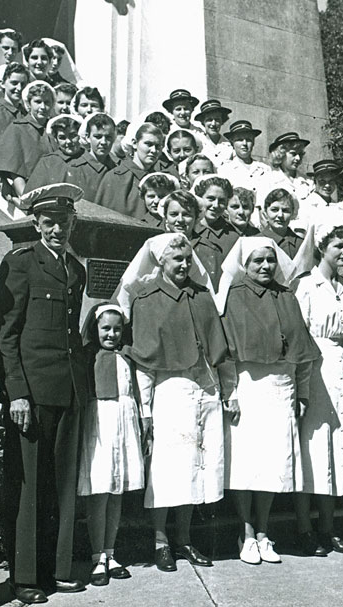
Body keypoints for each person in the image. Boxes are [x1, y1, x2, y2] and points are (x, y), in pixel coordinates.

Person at [0, 184, 88, 604]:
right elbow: (6, 335)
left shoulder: (76, 269)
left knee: (62, 485)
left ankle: (58, 568)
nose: (57, 230)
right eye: (49, 223)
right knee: (29, 485)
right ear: (35, 223)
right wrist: (15, 393)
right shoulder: (20, 263)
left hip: (67, 389)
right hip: (30, 393)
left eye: (64, 223)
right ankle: (26, 576)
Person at [115, 233, 231, 572]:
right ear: (160, 261)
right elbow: (146, 362)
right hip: (170, 390)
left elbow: (218, 349)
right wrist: (146, 411)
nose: (183, 264)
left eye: (186, 258)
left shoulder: (201, 295)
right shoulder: (146, 297)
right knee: (167, 471)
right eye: (175, 259)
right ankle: (161, 541)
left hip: (205, 389)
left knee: (196, 468)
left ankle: (184, 539)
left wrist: (226, 389)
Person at [218, 237, 321, 565]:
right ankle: (245, 532)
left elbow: (302, 352)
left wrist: (301, 393)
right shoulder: (234, 296)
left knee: (274, 464)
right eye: (257, 261)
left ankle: (263, 531)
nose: (264, 266)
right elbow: (225, 353)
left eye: (270, 260)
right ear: (244, 264)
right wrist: (230, 393)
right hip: (248, 385)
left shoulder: (287, 296)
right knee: (248, 464)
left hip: (281, 388)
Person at [293, 222, 343, 557]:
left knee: (337, 450)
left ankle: (329, 528)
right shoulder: (306, 287)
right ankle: (305, 529)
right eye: (337, 246)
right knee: (313, 451)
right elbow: (299, 336)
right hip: (314, 370)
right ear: (321, 248)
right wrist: (301, 387)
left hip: (341, 369)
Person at [76, 304, 144, 587]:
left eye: (117, 329)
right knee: (100, 488)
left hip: (124, 421)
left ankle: (110, 552)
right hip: (100, 422)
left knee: (116, 490)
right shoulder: (88, 357)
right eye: (106, 328)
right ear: (96, 329)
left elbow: (137, 391)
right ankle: (96, 557)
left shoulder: (127, 356)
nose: (112, 334)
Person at [0, 80, 55, 197]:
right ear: (28, 104)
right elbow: (16, 170)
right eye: (37, 102)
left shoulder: (54, 130)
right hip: (31, 194)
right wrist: (25, 197)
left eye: (47, 102)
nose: (43, 107)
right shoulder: (18, 128)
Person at [94, 123, 166, 221]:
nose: (154, 150)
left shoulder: (160, 180)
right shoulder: (115, 178)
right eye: (148, 144)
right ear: (134, 143)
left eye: (158, 146)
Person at [191, 175, 240, 290]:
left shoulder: (234, 236)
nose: (216, 205)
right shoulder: (188, 229)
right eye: (211, 199)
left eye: (222, 201)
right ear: (199, 198)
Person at [23, 115, 84, 194]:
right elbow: (31, 194)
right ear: (56, 139)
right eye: (62, 137)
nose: (68, 141)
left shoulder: (89, 158)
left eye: (73, 135)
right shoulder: (48, 162)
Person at [217, 119, 271, 200]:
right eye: (240, 140)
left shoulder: (264, 169)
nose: (244, 144)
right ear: (232, 143)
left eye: (248, 140)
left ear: (253, 142)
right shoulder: (225, 169)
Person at [263, 132, 312, 202]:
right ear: (280, 155)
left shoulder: (308, 182)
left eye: (300, 154)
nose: (298, 158)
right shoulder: (268, 179)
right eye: (293, 154)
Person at [259, 188, 305, 260]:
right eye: (274, 210)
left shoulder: (302, 245)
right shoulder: (255, 242)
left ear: (293, 214)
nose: (280, 215)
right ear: (265, 214)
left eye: (285, 210)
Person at [297, 159, 340, 226]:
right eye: (322, 181)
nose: (327, 185)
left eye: (331, 181)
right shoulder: (307, 206)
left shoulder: (337, 206)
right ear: (315, 181)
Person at [194, 99, 235, 166]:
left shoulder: (229, 145)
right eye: (209, 120)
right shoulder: (197, 142)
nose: (213, 124)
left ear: (222, 121)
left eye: (217, 120)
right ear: (203, 122)